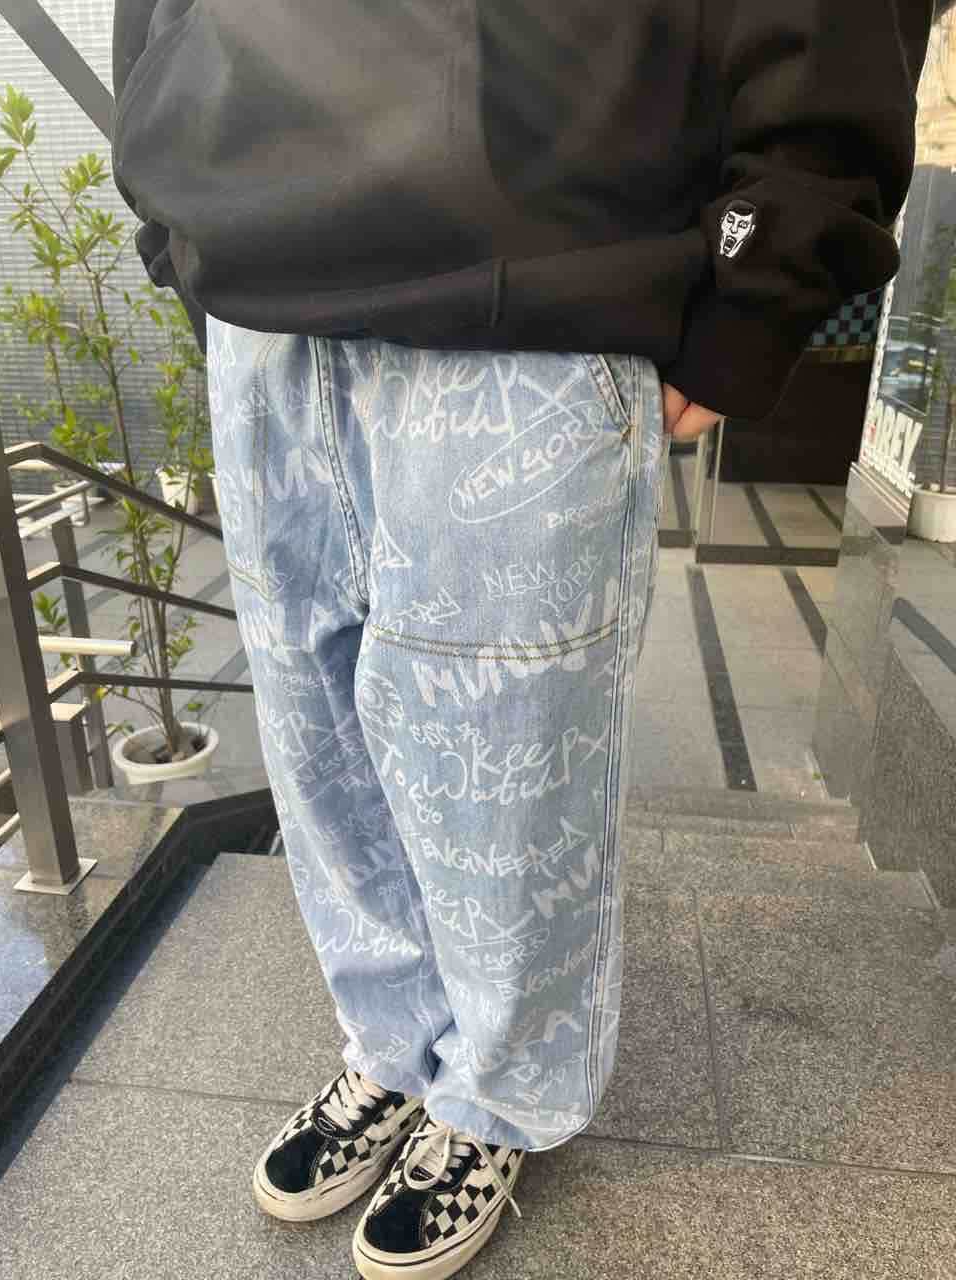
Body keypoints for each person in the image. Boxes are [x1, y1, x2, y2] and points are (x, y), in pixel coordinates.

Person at [112, 2, 932, 1276]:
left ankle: (498, 1096)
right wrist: (177, 216)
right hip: (262, 299)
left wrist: (759, 291)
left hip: (537, 295)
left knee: (509, 772)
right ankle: (393, 1046)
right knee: (321, 741)